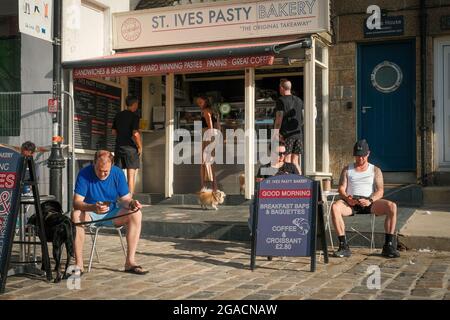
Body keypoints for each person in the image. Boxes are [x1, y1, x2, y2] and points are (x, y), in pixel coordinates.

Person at [71, 150, 147, 275]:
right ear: (94, 163)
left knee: (136, 213)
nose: (102, 174)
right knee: (75, 214)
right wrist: (92, 207)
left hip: (111, 214)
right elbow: (76, 203)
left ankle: (130, 262)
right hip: (90, 213)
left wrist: (132, 203)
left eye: (106, 171)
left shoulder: (117, 173)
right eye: (99, 170)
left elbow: (125, 199)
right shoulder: (84, 173)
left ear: (111, 166)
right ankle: (79, 264)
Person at [331, 139, 400, 258]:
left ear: (368, 153)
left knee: (392, 206)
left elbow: (380, 191)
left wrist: (370, 200)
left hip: (369, 202)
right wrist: (348, 198)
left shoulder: (375, 170)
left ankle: (388, 246)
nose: (360, 159)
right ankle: (343, 246)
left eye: (363, 156)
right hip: (351, 202)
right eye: (357, 156)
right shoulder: (347, 169)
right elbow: (341, 188)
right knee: (335, 207)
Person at [250, 143, 299, 261]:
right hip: (268, 202)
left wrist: (289, 179)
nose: (282, 156)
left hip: (286, 202)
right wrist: (261, 182)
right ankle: (257, 235)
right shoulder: (265, 168)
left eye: (284, 153)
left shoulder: (290, 167)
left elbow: (299, 185)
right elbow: (259, 186)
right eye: (279, 153)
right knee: (253, 206)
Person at [112, 95, 142, 196]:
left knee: (118, 174)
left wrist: (121, 136)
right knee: (131, 175)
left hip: (119, 147)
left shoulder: (118, 115)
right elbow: (135, 133)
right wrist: (139, 146)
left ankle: (117, 197)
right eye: (137, 104)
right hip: (130, 149)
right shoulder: (135, 117)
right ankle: (129, 200)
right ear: (134, 104)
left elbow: (113, 131)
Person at [273, 79, 304, 175]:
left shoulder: (281, 101)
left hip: (287, 135)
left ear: (281, 88)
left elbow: (279, 117)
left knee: (286, 160)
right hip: (298, 134)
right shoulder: (299, 100)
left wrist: (275, 132)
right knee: (295, 161)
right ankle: (300, 183)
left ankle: (289, 184)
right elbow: (302, 117)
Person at [196, 96, 220, 191]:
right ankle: (214, 186)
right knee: (211, 162)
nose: (199, 104)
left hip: (207, 136)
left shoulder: (206, 111)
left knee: (203, 162)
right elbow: (218, 125)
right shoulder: (213, 111)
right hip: (213, 136)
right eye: (198, 103)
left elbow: (210, 124)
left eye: (200, 102)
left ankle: (203, 187)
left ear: (205, 101)